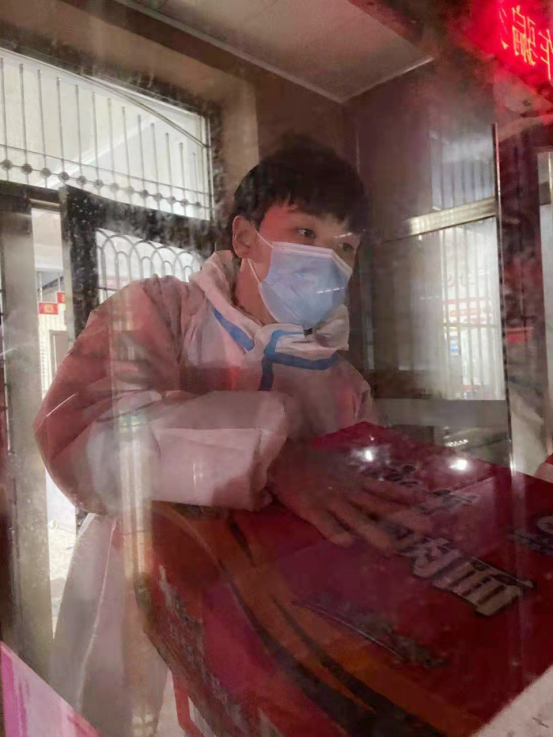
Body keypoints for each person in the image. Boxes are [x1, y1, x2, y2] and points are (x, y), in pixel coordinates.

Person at [34, 137, 426, 736]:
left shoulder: (347, 387)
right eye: (306, 232)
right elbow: (81, 433)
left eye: (346, 246)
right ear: (244, 238)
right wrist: (272, 460)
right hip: (140, 611)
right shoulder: (160, 311)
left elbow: (356, 511)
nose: (328, 260)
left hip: (287, 632)